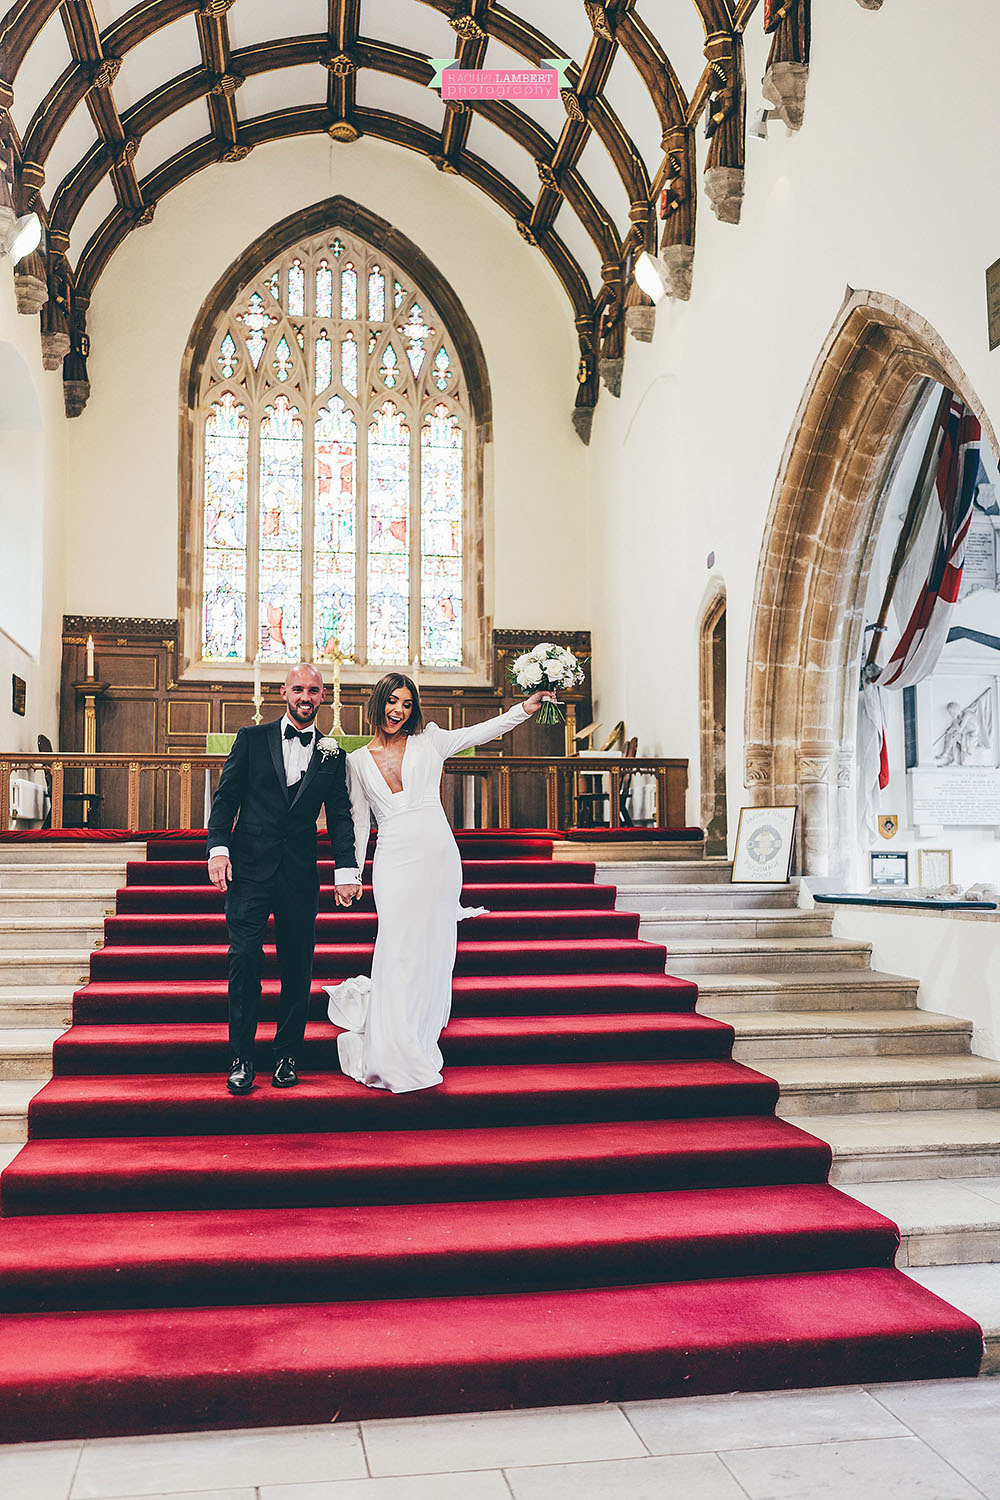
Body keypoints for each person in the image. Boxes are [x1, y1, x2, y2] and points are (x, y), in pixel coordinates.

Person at [326, 673, 554, 1093]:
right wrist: (351, 874)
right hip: (393, 859)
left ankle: (417, 1035)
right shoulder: (356, 761)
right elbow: (358, 822)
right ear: (379, 704)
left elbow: (484, 731)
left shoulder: (430, 741)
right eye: (393, 702)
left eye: (407, 704)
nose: (399, 711)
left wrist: (525, 708)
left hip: (438, 857)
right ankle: (393, 1044)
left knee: (432, 951)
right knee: (396, 948)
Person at [207, 663, 361, 1095]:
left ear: (323, 695)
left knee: (298, 966)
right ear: (283, 692)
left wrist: (346, 870)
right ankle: (241, 1058)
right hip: (249, 868)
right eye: (298, 689)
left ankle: (287, 1057)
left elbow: (342, 816)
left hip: (298, 871)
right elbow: (227, 798)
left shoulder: (333, 754)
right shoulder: (251, 739)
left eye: (313, 691)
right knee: (245, 959)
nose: (305, 697)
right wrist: (218, 848)